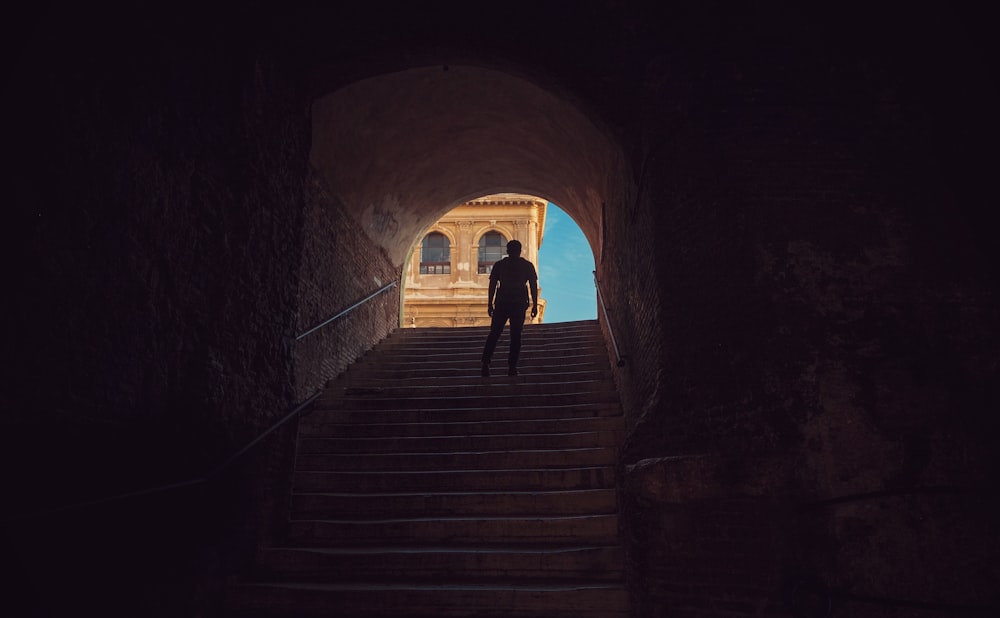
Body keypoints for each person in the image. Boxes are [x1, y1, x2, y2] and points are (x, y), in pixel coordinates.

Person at [481, 239, 538, 377]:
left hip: (502, 302)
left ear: (507, 251)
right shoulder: (527, 265)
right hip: (518, 303)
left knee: (495, 333)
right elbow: (533, 286)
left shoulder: (500, 265)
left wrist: (490, 303)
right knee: (515, 336)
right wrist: (534, 304)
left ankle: (485, 363)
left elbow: (493, 285)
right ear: (520, 251)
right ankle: (512, 367)